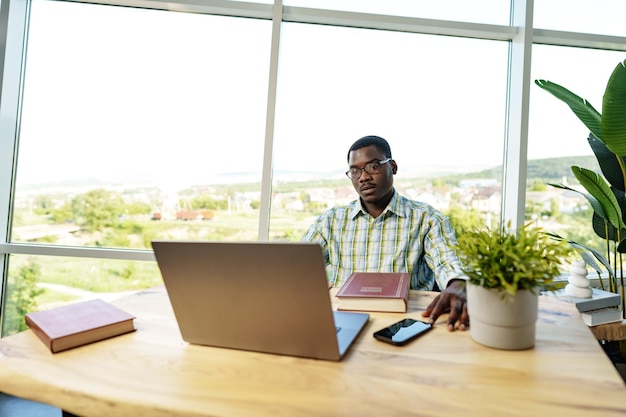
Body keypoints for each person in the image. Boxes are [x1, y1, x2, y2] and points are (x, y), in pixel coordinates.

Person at [301, 135, 469, 331]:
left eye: (373, 166)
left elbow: (449, 263)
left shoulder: (427, 219)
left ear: (393, 167)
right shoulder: (330, 221)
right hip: (340, 323)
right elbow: (295, 267)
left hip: (403, 326)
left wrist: (458, 284)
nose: (363, 177)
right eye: (355, 171)